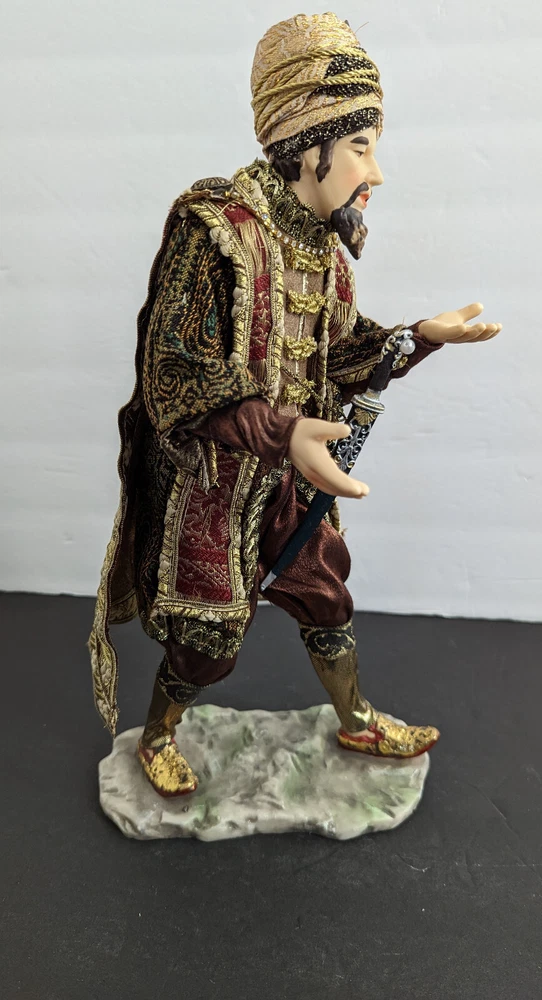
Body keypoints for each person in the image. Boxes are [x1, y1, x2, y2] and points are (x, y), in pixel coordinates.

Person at [89, 12, 502, 797]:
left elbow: (341, 354)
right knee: (207, 639)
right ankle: (160, 733)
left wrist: (417, 337)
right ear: (308, 146)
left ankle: (356, 718)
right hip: (215, 486)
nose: (374, 173)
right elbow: (175, 373)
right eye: (361, 147)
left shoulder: (322, 250)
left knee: (325, 596)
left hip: (289, 483)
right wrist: (281, 431)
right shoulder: (214, 230)